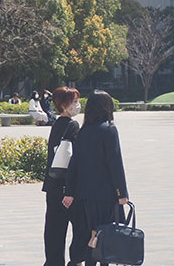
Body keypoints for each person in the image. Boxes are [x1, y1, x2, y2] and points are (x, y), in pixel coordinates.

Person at [63, 90, 129, 266]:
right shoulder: (109, 130)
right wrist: (122, 193)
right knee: (105, 234)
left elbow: (74, 165)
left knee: (93, 233)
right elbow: (115, 164)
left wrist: (70, 191)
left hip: (85, 195)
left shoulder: (84, 131)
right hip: (106, 195)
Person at [42, 87, 82, 266]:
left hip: (52, 184)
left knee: (54, 229)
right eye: (74, 102)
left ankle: (53, 261)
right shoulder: (72, 125)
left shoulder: (57, 124)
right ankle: (77, 261)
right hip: (68, 188)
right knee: (81, 226)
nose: (78, 105)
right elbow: (74, 160)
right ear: (65, 105)